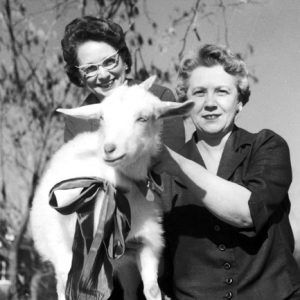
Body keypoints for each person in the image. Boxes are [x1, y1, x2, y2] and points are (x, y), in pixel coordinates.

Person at [157, 44, 300, 299]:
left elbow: (247, 212)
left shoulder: (267, 146)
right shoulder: (162, 174)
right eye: (199, 93)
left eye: (222, 92)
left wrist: (173, 162)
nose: (210, 103)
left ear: (240, 102)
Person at [60, 16, 185, 300]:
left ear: (125, 60)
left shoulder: (157, 98)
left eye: (109, 62)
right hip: (105, 250)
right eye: (90, 68)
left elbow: (171, 174)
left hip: (158, 238)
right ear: (79, 76)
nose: (102, 74)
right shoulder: (78, 121)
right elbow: (80, 185)